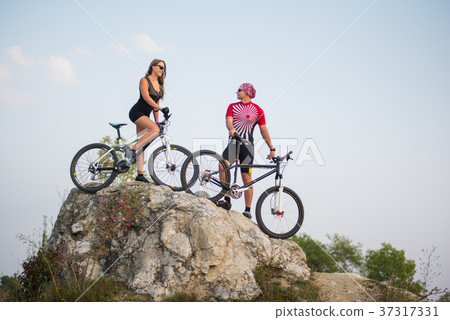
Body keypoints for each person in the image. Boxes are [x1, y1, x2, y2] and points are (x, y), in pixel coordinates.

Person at [217, 83, 276, 219]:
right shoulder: (232, 106)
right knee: (222, 165)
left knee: (247, 177)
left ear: (247, 92)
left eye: (239, 90)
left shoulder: (258, 110)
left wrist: (271, 148)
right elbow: (229, 122)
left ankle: (247, 210)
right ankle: (226, 199)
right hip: (234, 143)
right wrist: (231, 129)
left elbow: (263, 130)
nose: (236, 92)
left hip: (248, 146)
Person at [128, 59, 169, 182]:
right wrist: (161, 108)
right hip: (136, 113)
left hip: (146, 115)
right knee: (154, 131)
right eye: (161, 67)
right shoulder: (144, 80)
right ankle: (133, 150)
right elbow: (146, 97)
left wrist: (157, 120)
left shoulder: (160, 85)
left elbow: (155, 105)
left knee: (144, 143)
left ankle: (139, 175)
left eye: (164, 69)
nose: (163, 70)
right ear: (153, 67)